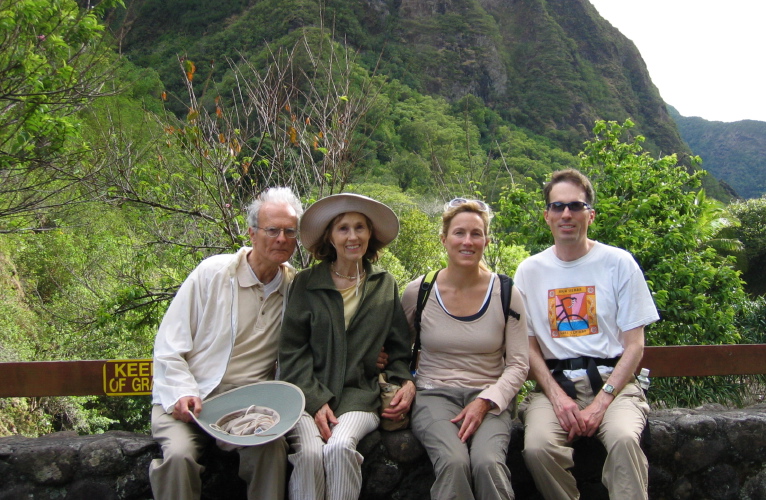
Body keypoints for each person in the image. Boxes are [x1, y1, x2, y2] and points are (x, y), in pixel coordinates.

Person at [149, 187, 304, 500]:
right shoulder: (213, 274)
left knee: (271, 448)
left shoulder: (295, 287)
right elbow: (169, 344)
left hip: (247, 405)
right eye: (272, 230)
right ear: (252, 232)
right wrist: (183, 391)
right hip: (191, 399)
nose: (281, 239)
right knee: (178, 457)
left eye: (290, 231)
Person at [514, 169, 660, 500]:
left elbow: (635, 346)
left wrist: (603, 400)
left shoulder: (619, 263)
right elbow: (529, 346)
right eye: (558, 206)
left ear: (590, 215)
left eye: (576, 206)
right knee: (537, 448)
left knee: (624, 439)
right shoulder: (530, 271)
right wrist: (556, 396)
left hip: (614, 384)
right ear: (547, 216)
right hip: (555, 385)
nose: (567, 214)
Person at [278, 193, 416, 500]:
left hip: (359, 395)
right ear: (330, 235)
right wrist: (315, 400)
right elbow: (291, 351)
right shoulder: (306, 283)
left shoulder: (384, 285)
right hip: (305, 396)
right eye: (343, 228)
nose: (352, 236)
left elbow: (398, 348)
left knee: (340, 447)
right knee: (311, 455)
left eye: (360, 227)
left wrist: (402, 380)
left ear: (370, 234)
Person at [401, 198, 530, 500]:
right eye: (459, 233)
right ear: (444, 239)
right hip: (433, 393)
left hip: (490, 398)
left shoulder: (506, 293)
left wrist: (486, 401)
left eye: (476, 234)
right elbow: (396, 349)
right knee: (453, 461)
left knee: (488, 462)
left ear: (487, 239)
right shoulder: (419, 292)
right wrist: (402, 380)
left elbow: (519, 364)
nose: (468, 241)